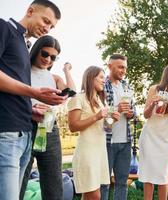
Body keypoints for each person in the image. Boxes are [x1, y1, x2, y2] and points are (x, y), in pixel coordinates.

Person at [0, 1, 64, 199]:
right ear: (30, 10)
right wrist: (34, 93)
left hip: (26, 134)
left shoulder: (22, 43)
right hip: (7, 134)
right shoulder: (5, 28)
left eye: (51, 26)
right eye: (46, 21)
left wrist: (30, 109)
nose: (47, 28)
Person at [20, 35, 76, 200]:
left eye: (53, 57)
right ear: (36, 50)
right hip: (26, 125)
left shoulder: (54, 78)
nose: (48, 59)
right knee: (21, 177)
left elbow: (71, 92)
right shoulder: (23, 69)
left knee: (53, 180)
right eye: (45, 54)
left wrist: (66, 70)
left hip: (50, 127)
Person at [68, 66, 120, 200]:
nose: (105, 80)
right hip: (87, 153)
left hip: (100, 152)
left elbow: (106, 128)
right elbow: (73, 126)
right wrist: (96, 116)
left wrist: (112, 120)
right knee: (95, 195)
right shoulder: (78, 98)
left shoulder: (100, 101)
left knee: (89, 195)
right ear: (91, 78)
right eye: (101, 77)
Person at [138, 64, 168, 200]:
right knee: (148, 175)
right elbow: (146, 115)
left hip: (164, 139)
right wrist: (152, 103)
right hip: (149, 136)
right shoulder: (154, 89)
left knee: (162, 175)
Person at [100, 54, 136, 200]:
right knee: (104, 183)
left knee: (122, 183)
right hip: (106, 141)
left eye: (125, 68)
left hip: (125, 141)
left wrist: (131, 113)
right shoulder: (101, 85)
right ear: (110, 66)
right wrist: (118, 109)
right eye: (120, 67)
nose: (123, 70)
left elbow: (133, 111)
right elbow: (98, 113)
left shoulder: (126, 86)